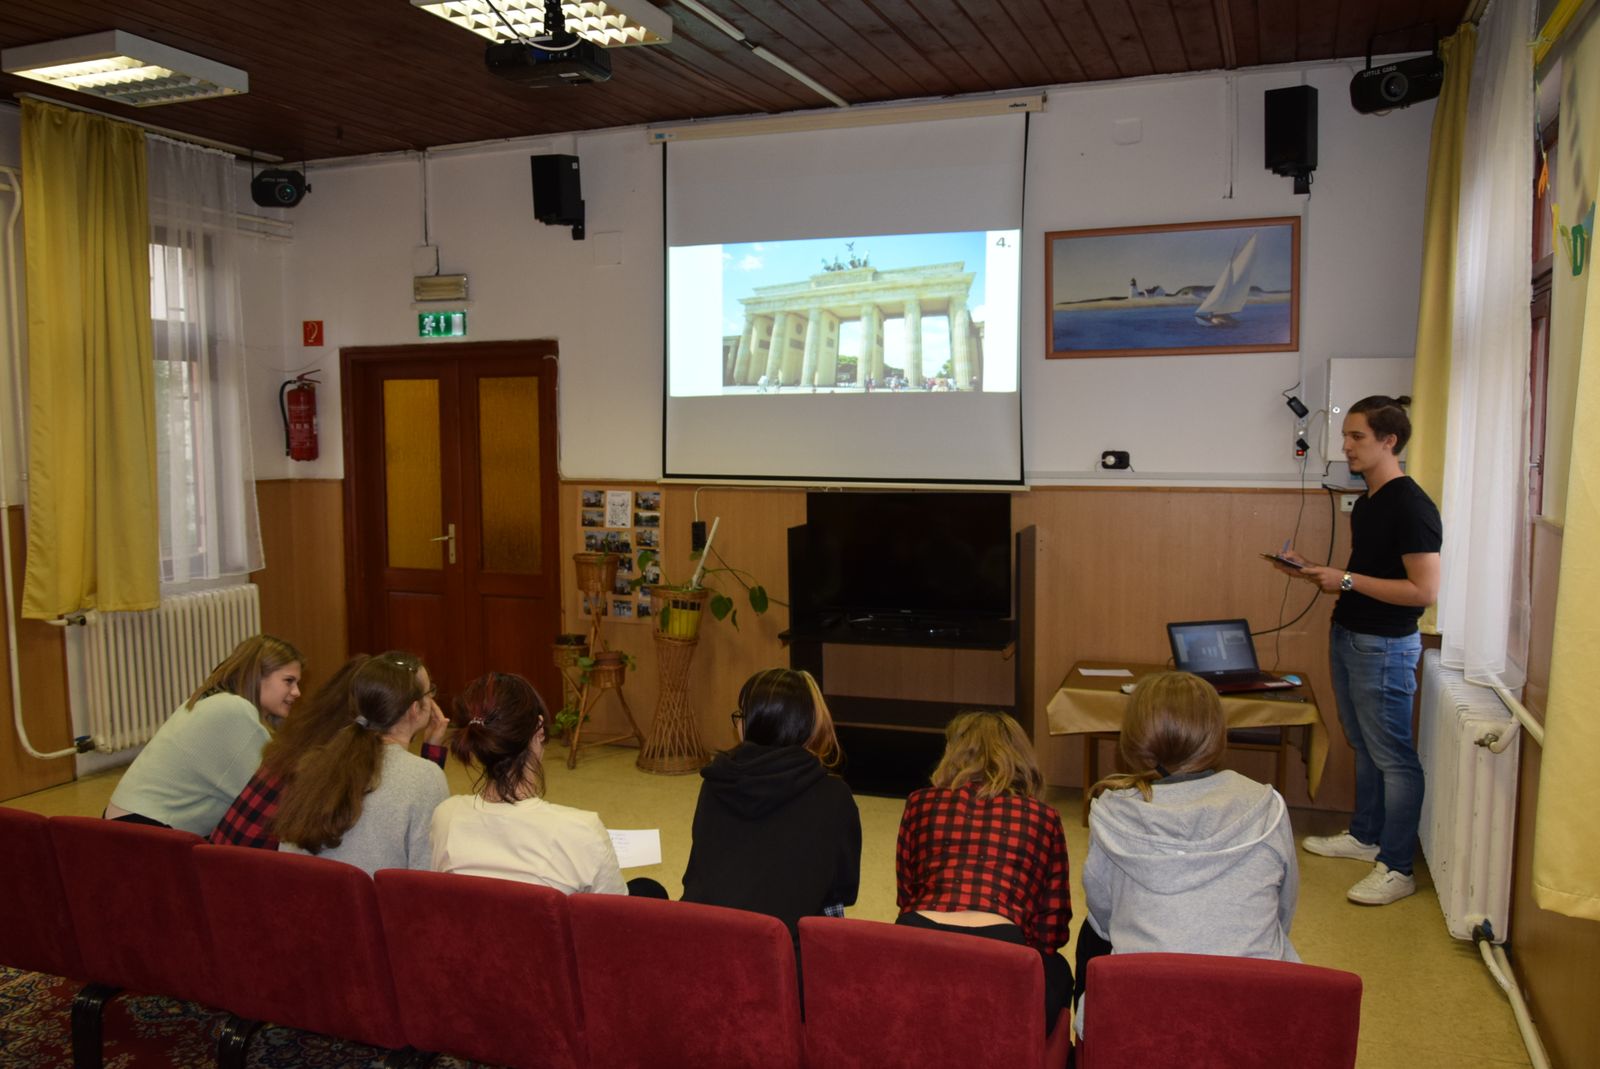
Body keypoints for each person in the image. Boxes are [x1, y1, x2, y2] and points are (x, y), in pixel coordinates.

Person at [1276, 394, 1441, 906]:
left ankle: (1397, 867)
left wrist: (1344, 579)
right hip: (1350, 634)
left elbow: (1423, 591)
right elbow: (1371, 575)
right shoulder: (1369, 501)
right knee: (1364, 745)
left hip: (1385, 647)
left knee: (1394, 757)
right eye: (1345, 435)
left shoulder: (1411, 505)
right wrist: (1315, 570)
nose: (1345, 446)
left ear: (1389, 441)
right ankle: (1366, 836)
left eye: (1356, 437)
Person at [1080, 671, 1299, 1011]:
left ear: (1133, 737)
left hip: (1143, 1009)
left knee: (1092, 934)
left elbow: (1103, 912)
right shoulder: (1267, 805)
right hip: (1254, 1006)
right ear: (1217, 734)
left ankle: (1091, 1033)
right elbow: (1283, 909)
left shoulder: (1111, 812)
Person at [895, 710, 1072, 1034]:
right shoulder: (1044, 817)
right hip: (1000, 943)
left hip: (917, 935)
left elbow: (907, 892)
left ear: (953, 753)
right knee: (1059, 970)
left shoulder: (919, 802)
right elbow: (1052, 928)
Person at [681, 668, 861, 936]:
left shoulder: (715, 782)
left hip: (704, 936)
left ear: (750, 725)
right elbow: (843, 889)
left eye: (741, 715)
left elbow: (699, 872)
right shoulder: (834, 796)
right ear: (811, 724)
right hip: (781, 950)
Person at [209, 652, 449, 849]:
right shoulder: (333, 761)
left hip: (226, 868)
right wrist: (431, 761)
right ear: (412, 708)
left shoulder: (318, 751)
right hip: (256, 875)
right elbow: (411, 808)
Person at [431, 671, 635, 895]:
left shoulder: (446, 816)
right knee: (647, 888)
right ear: (539, 729)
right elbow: (613, 914)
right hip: (554, 918)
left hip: (478, 918)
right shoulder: (583, 831)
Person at [104, 635, 303, 836]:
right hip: (147, 831)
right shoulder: (234, 710)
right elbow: (275, 794)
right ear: (257, 675)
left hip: (125, 822)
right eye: (288, 681)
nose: (297, 692)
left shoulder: (212, 700)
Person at [274, 653, 448, 875]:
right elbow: (426, 876)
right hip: (370, 898)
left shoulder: (315, 763)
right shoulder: (426, 777)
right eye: (430, 691)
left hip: (305, 895)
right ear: (415, 709)